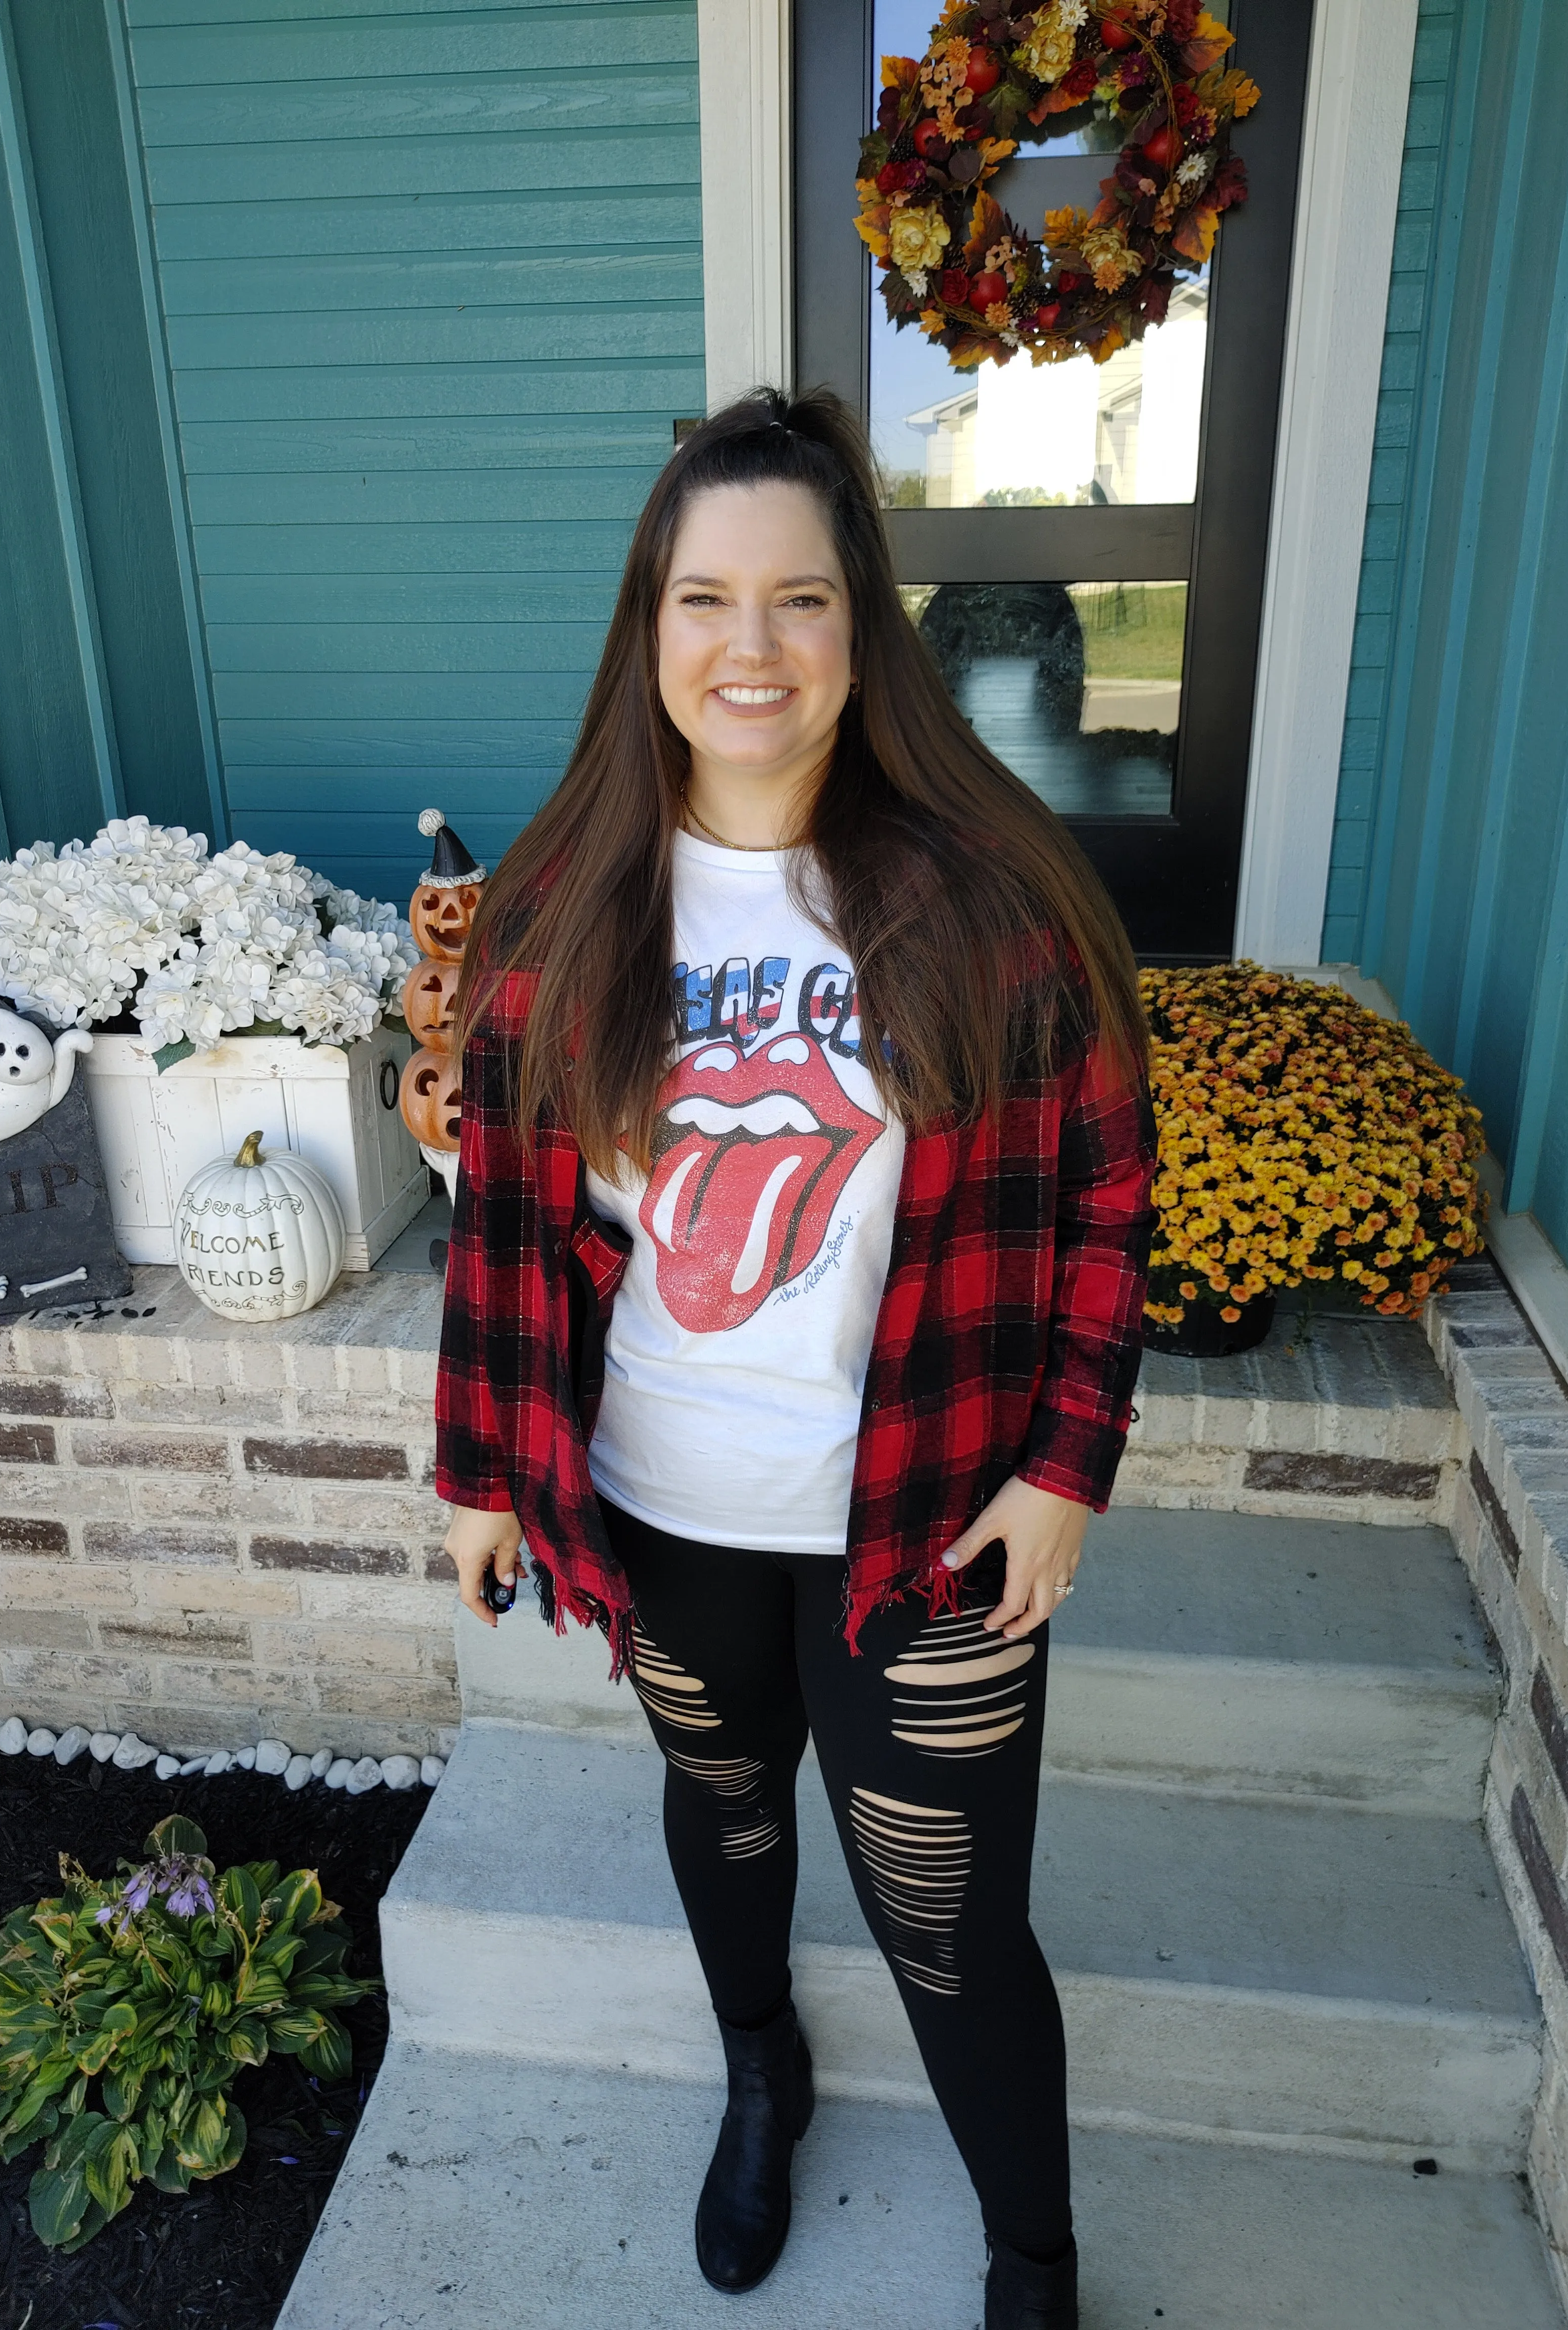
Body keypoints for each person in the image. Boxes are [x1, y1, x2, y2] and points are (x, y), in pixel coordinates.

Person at [436, 387, 1155, 2330]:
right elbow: (509, 1221)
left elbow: (1105, 1189)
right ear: (647, 629)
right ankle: (762, 2071)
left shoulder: (980, 898)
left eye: (800, 600)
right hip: (667, 1501)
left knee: (947, 1916)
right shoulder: (567, 903)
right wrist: (490, 1472)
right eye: (703, 600)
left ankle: (1031, 2264)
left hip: (921, 1516)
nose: (748, 648)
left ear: (862, 631)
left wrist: (1067, 1462)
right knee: (728, 1812)